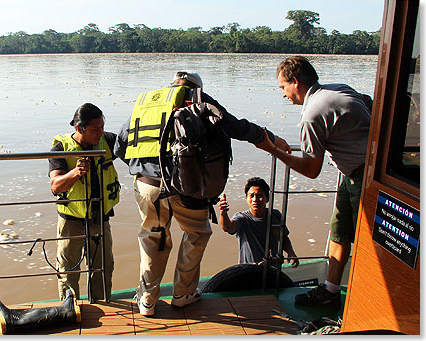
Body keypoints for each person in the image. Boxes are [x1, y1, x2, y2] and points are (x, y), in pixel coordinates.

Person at [114, 71, 290, 317]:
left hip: (147, 185)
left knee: (154, 237)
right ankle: (183, 294)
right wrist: (268, 137)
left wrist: (147, 170)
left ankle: (146, 300)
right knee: (196, 232)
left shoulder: (148, 105)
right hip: (190, 186)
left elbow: (120, 146)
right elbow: (234, 127)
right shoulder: (200, 100)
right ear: (197, 87)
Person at [267, 56, 371, 307]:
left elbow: (312, 169)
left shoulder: (312, 114)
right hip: (353, 173)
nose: (282, 94)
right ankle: (331, 289)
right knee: (339, 232)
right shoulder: (337, 88)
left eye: (282, 87)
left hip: (365, 178)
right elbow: (368, 102)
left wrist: (273, 150)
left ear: (295, 81)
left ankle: (369, 299)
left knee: (369, 241)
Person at [49, 103, 120, 302]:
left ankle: (103, 305)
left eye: (102, 128)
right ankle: (68, 308)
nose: (100, 133)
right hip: (71, 219)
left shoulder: (106, 141)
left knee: (103, 267)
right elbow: (55, 186)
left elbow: (133, 149)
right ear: (80, 128)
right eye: (95, 129)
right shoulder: (61, 148)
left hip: (100, 216)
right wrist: (75, 173)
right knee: (68, 270)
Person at [218, 177, 299, 267]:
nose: (255, 199)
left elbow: (283, 237)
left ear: (267, 198)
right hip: (249, 270)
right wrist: (223, 213)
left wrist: (291, 252)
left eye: (259, 195)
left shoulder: (275, 215)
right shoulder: (242, 218)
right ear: (246, 198)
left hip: (273, 269)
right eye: (251, 196)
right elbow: (228, 227)